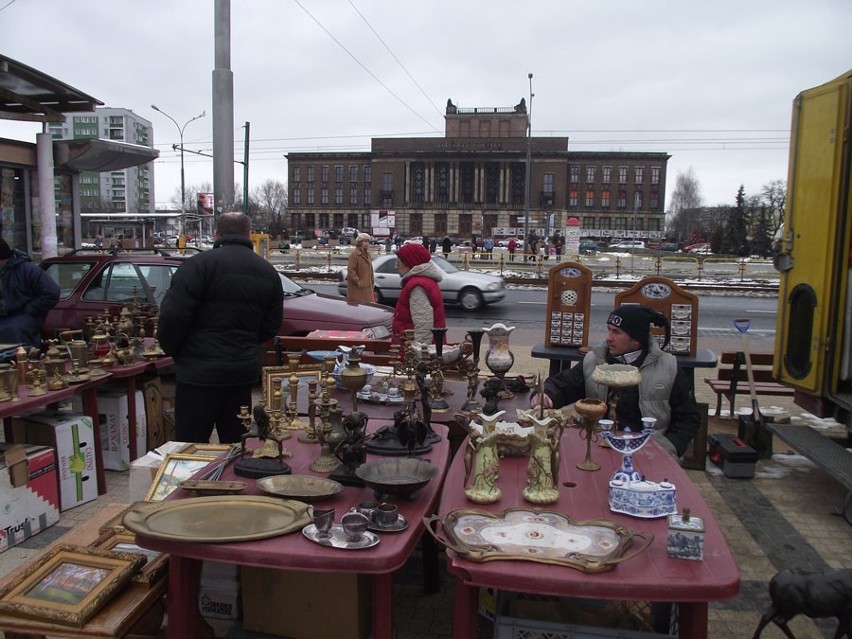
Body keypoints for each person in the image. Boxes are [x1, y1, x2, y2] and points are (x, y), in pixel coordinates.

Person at [157, 212, 284, 444]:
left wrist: (177, 352)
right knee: (237, 445)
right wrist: (246, 345)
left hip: (197, 377)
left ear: (217, 234)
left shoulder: (197, 266)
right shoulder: (268, 272)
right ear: (249, 235)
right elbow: (271, 325)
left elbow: (173, 317)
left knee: (190, 448)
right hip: (240, 375)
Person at [530, 305, 700, 458]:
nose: (608, 338)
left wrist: (669, 448)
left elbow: (688, 417)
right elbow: (563, 384)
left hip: (649, 454)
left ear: (636, 339)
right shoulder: (594, 361)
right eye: (609, 330)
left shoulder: (669, 367)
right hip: (597, 450)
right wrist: (546, 394)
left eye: (616, 332)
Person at [0, 238, 60, 347]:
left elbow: (52, 292)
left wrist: (30, 309)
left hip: (23, 317)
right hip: (5, 318)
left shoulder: (27, 269)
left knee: (14, 331)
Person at [391, 243, 446, 344]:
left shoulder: (417, 286)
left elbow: (424, 326)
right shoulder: (422, 281)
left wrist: (419, 355)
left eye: (398, 262)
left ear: (409, 263)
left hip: (415, 354)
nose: (395, 267)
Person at [346, 232, 375, 303]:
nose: (367, 243)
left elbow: (370, 270)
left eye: (368, 242)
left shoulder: (368, 255)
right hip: (357, 290)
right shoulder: (355, 254)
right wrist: (358, 282)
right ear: (360, 243)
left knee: (368, 309)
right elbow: (351, 271)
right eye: (365, 241)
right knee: (358, 310)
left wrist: (372, 282)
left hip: (367, 288)